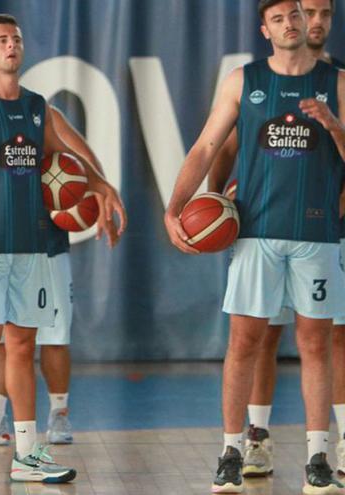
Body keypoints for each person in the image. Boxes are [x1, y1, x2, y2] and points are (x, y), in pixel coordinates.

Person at [164, 1, 345, 492]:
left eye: (298, 15)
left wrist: (333, 125)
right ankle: (231, 450)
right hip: (256, 232)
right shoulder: (243, 81)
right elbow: (206, 146)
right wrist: (174, 206)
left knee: (315, 346)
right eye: (280, 18)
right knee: (244, 342)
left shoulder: (339, 83)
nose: (292, 23)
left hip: (317, 234)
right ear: (266, 29)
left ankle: (319, 459)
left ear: (311, 23)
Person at [0, 13, 125, 483]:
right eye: (1, 40)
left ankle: (27, 454)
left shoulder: (36, 106)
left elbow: (68, 153)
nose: (11, 45)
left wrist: (103, 185)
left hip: (31, 248)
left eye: (17, 39)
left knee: (23, 345)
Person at [0, 108, 125, 448]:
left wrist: (98, 194)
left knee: (53, 333)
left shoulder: (38, 114)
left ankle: (58, 413)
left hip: (43, 243)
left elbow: (81, 157)